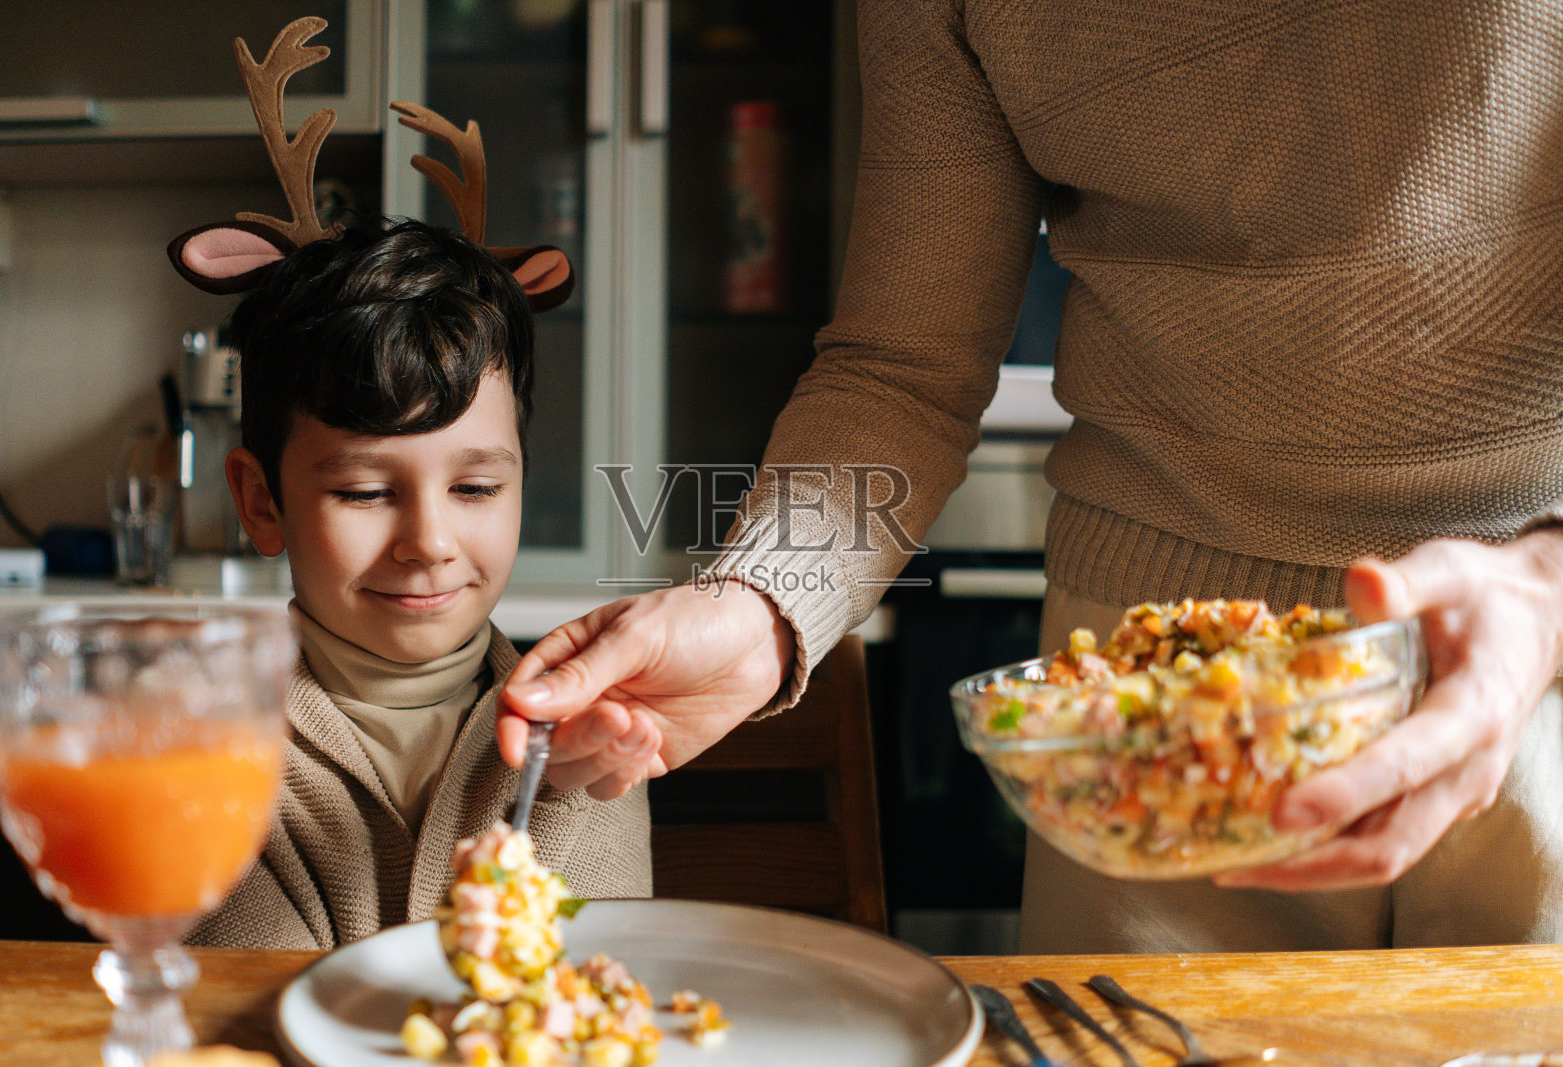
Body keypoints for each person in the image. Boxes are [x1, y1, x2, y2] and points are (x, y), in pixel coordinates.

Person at [499, 0, 1563, 953]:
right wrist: (759, 602)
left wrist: (1543, 590)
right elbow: (904, 369)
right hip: (1143, 693)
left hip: (1534, 648)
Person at [176, 218, 653, 950]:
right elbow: (250, 1012)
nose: (429, 543)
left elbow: (576, 1003)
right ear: (261, 501)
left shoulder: (590, 739)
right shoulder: (195, 745)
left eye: (476, 486)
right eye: (365, 492)